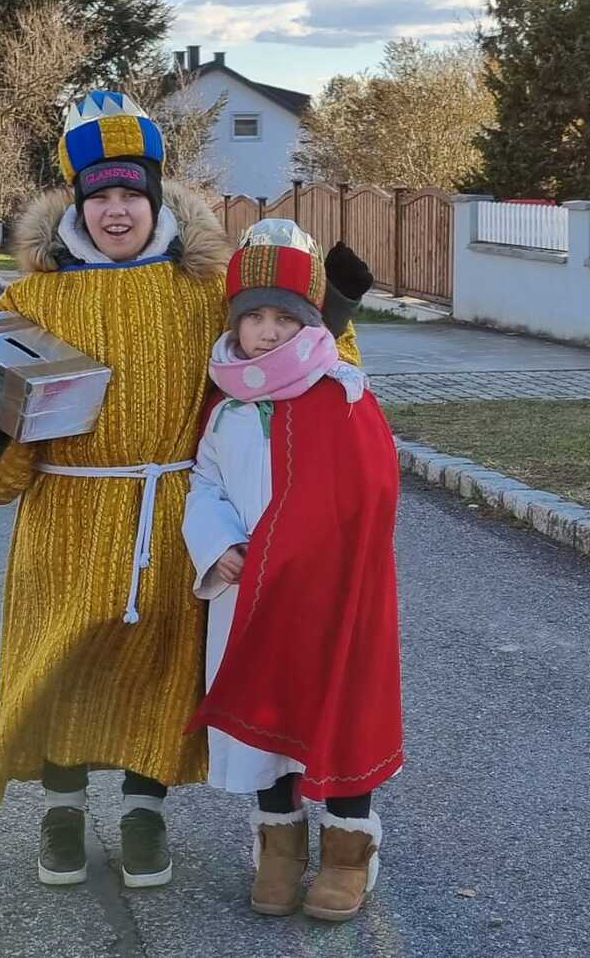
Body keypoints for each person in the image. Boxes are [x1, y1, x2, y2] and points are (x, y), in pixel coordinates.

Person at [0, 92, 373, 891]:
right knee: (62, 662)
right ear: (77, 204)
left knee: (157, 667)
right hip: (67, 514)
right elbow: (3, 431)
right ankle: (63, 810)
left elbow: (286, 360)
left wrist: (336, 316)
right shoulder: (31, 299)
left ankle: (145, 813)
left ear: (154, 199)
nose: (116, 210)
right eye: (99, 195)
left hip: (170, 514)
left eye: (130, 194)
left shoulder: (200, 294)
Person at [183, 219, 402, 923]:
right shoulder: (227, 406)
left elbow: (372, 488)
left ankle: (348, 851)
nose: (268, 334)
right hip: (248, 590)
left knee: (336, 708)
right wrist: (216, 543)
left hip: (326, 594)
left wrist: (308, 550)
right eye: (255, 319)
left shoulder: (340, 391)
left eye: (285, 319)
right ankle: (278, 847)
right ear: (235, 325)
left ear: (311, 324)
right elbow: (205, 484)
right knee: (263, 715)